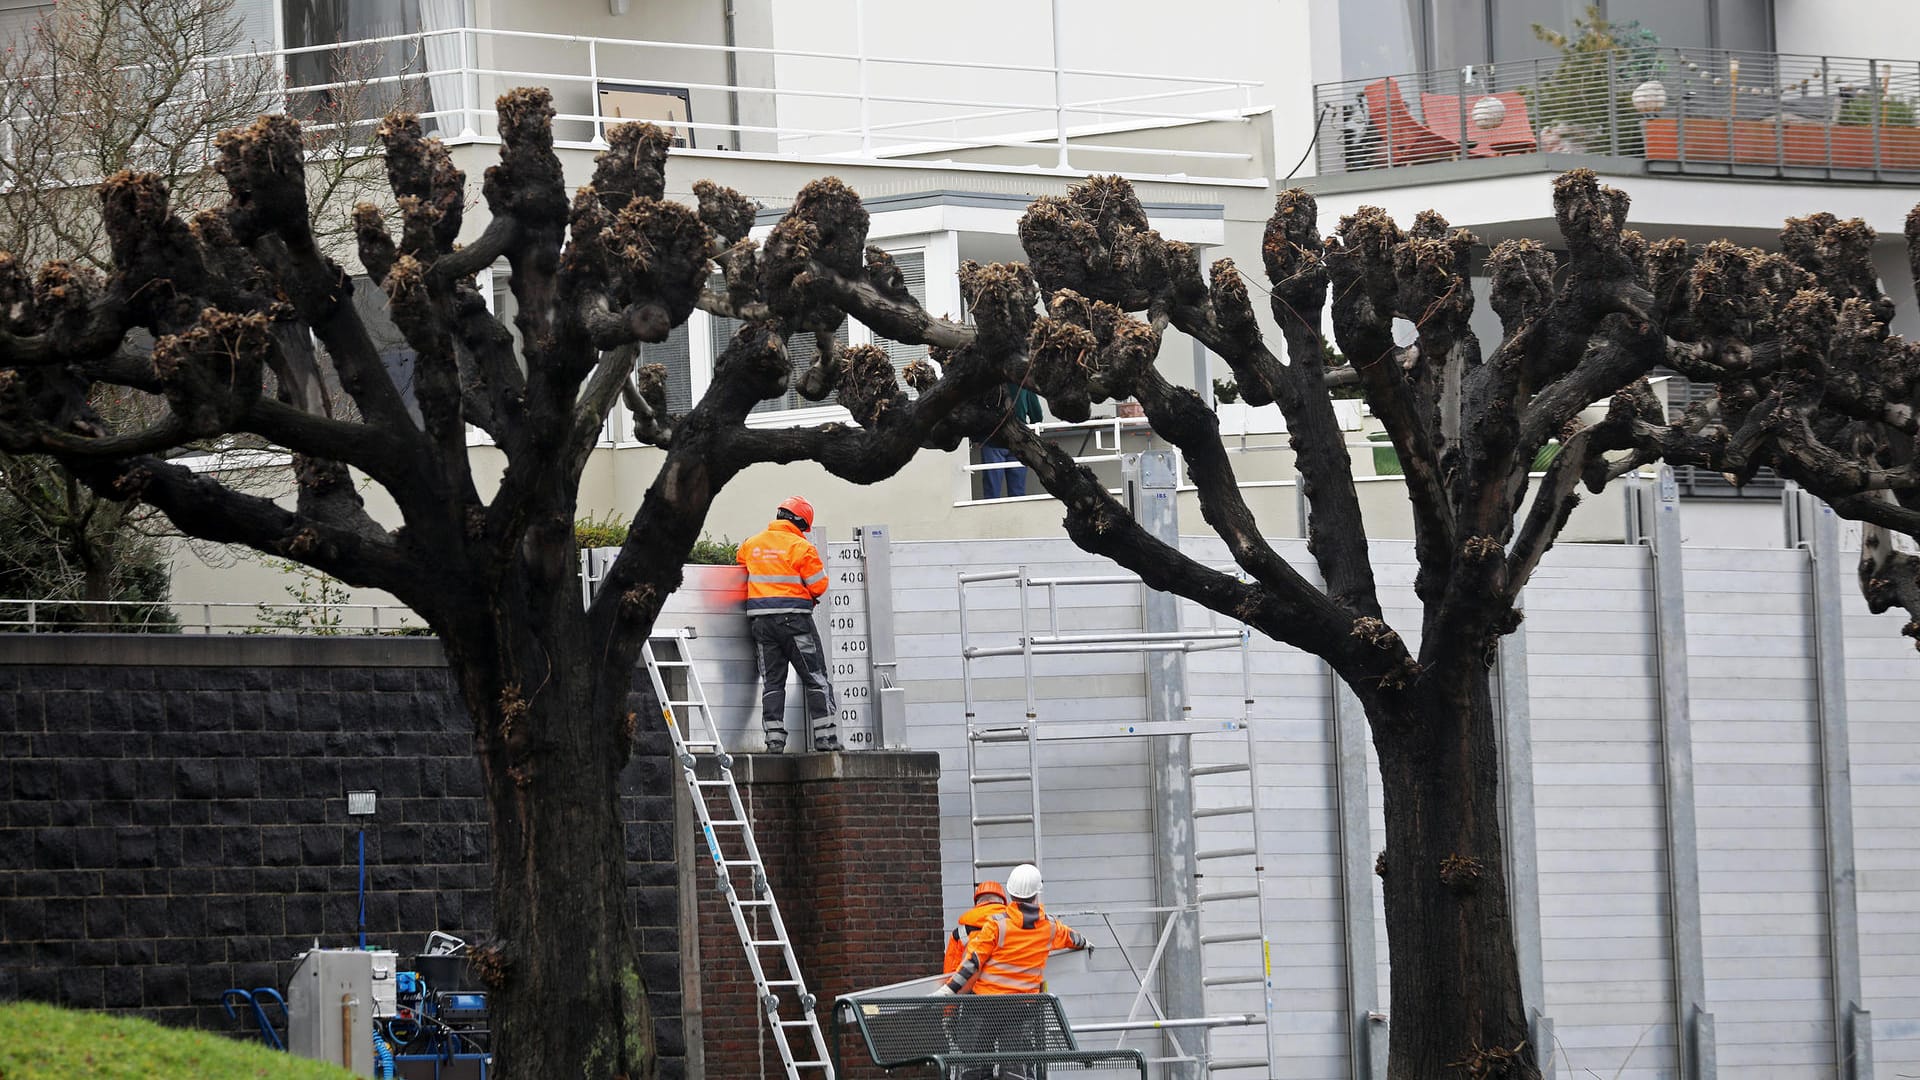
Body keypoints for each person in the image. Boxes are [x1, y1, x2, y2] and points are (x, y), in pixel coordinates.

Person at [934, 863, 1092, 1080]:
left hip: (983, 1009)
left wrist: (948, 991)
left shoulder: (997, 926)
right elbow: (1073, 938)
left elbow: (972, 963)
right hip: (1021, 1011)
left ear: (1011, 893)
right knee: (1015, 1071)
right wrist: (1086, 943)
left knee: (977, 1070)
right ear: (1037, 893)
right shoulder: (1050, 927)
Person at [736, 496, 840, 753]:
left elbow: (739, 568)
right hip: (795, 623)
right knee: (815, 678)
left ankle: (774, 742)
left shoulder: (752, 544)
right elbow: (819, 586)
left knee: (773, 682)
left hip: (761, 624)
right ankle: (825, 739)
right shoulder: (801, 547)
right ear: (801, 523)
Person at [980, 383, 1042, 499]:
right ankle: (1017, 516)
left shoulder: (986, 380)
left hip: (992, 440)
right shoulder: (1023, 381)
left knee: (992, 493)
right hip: (1019, 439)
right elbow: (1037, 416)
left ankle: (990, 516)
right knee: (1017, 493)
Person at [942, 880, 1007, 975]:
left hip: (969, 987)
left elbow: (949, 973)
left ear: (977, 902)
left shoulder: (959, 934)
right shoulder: (1015, 927)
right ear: (1003, 902)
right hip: (1008, 987)